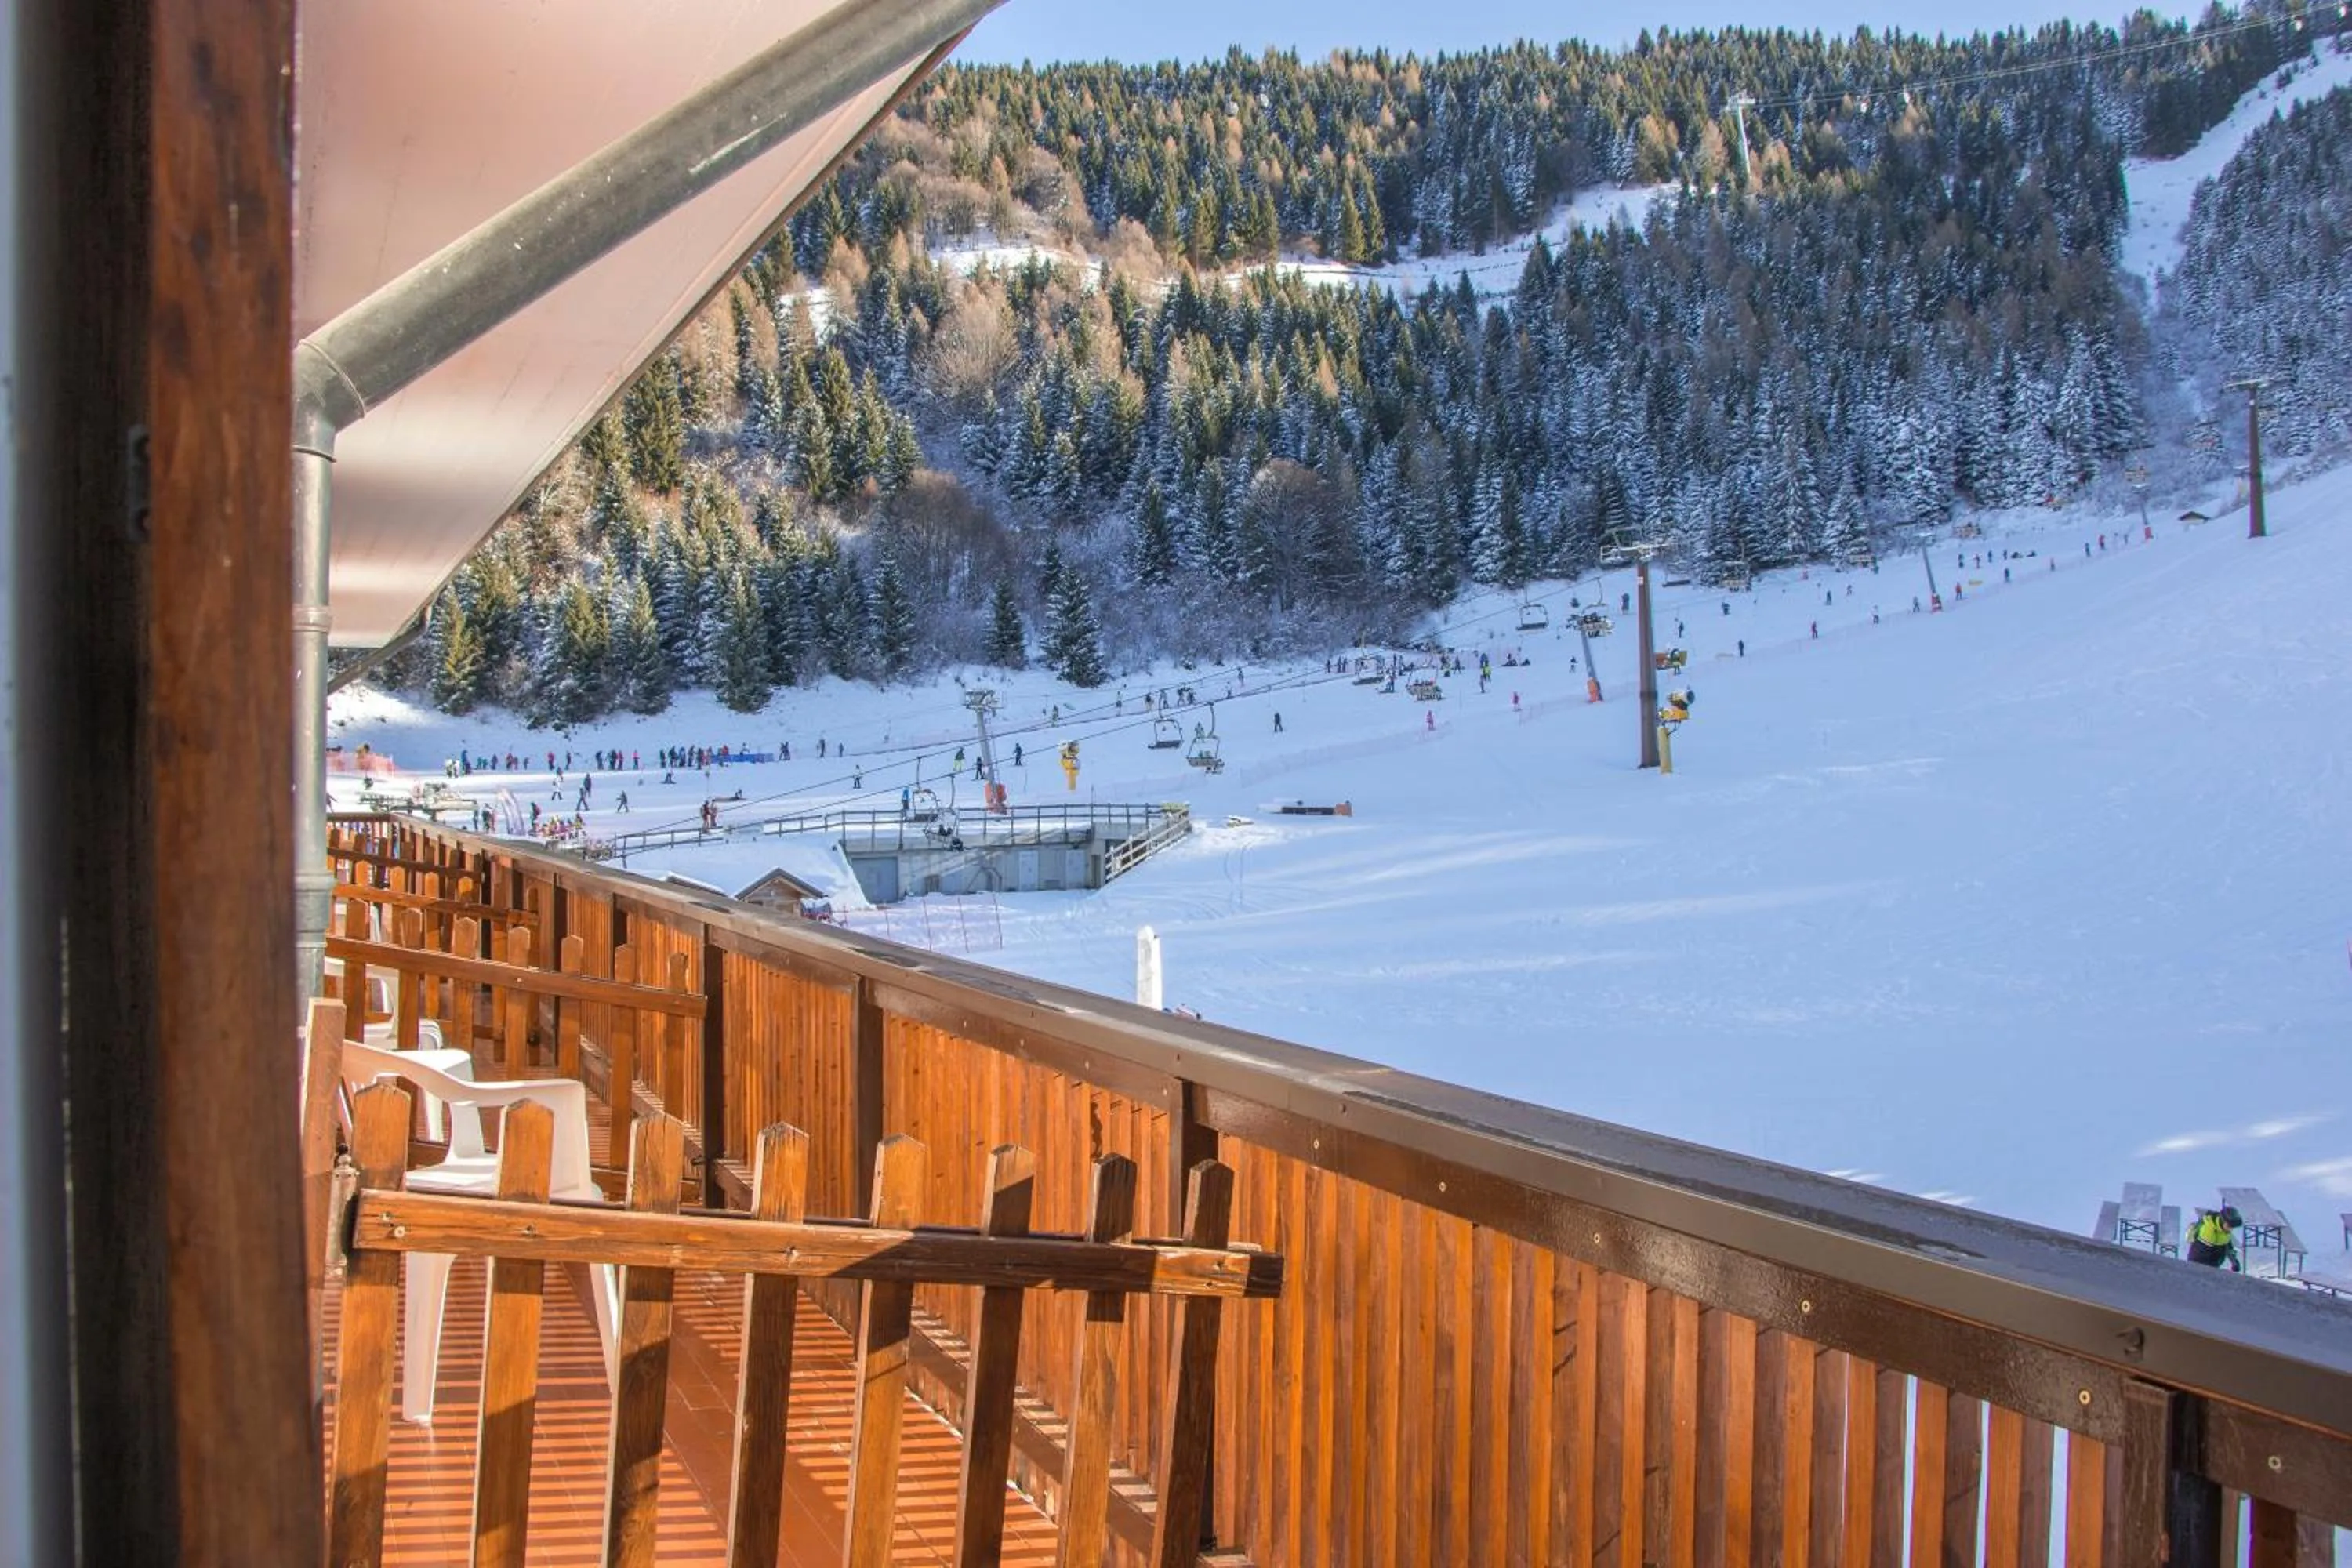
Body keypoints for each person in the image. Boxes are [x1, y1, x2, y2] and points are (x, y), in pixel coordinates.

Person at [2188, 1207, 2242, 1272]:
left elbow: (2227, 1244)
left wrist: (2234, 1262)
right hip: (2199, 1266)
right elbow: (2202, 1255)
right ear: (2222, 1221)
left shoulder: (2224, 1230)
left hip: (2211, 1265)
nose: (2230, 1229)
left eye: (2232, 1227)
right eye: (2229, 1226)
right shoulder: (2208, 1231)